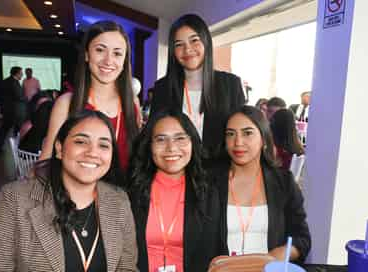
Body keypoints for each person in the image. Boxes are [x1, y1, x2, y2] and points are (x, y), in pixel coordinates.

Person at [0, 110, 138, 271]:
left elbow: (127, 268)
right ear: (59, 149)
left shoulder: (119, 201)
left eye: (103, 145)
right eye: (81, 142)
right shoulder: (15, 199)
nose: (93, 152)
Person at [128, 110, 227, 272]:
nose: (171, 148)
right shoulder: (132, 191)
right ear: (149, 145)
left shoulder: (207, 192)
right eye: (161, 139)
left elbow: (214, 253)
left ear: (192, 143)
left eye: (180, 138)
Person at [213, 106, 310, 262]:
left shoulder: (283, 183)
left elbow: (302, 238)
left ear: (264, 139)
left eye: (247, 133)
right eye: (231, 134)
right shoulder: (210, 183)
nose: (238, 142)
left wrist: (281, 253)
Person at [39, 21, 140, 171]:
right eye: (100, 50)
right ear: (86, 55)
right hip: (76, 193)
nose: (108, 60)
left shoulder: (132, 103)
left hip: (123, 192)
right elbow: (46, 161)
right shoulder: (67, 103)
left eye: (117, 53)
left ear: (125, 61)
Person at [150, 14, 245, 161]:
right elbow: (155, 135)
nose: (187, 50)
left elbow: (240, 134)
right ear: (173, 51)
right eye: (179, 44)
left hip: (220, 172)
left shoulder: (231, 85)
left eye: (194, 40)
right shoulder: (162, 88)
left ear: (206, 41)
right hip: (177, 171)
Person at [0, 66, 27, 154]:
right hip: (14, 111)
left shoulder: (5, 81)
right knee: (16, 130)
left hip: (7, 110)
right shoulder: (14, 83)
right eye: (21, 73)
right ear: (16, 73)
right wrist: (27, 98)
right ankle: (20, 149)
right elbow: (19, 96)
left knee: (4, 130)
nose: (22, 75)